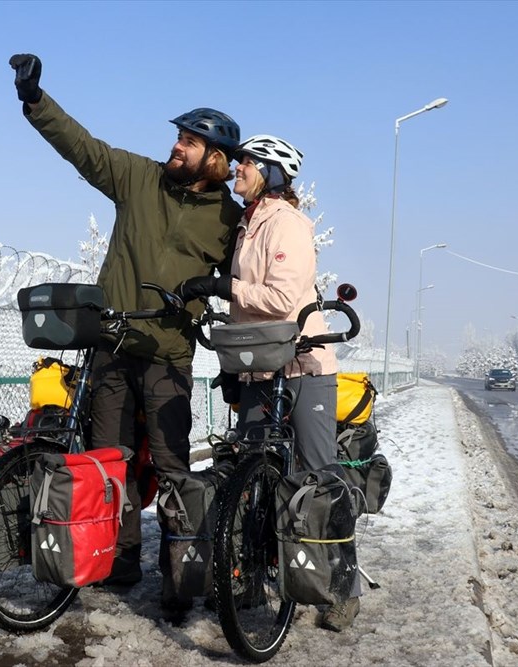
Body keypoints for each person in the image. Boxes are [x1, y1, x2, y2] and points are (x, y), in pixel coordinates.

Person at [7, 54, 243, 606]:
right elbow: (83, 148)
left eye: (189, 142)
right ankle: (120, 559)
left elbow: (245, 281)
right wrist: (35, 100)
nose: (176, 147)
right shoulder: (140, 178)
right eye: (178, 138)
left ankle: (179, 573)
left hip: (169, 355)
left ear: (215, 158)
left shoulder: (229, 220)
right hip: (112, 344)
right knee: (109, 461)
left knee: (171, 465)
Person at [177, 134, 362, 631]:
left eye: (247, 162)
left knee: (319, 478)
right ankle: (250, 578)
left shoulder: (288, 224)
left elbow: (281, 300)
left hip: (304, 364)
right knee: (251, 473)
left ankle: (342, 589)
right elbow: (246, 309)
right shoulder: (248, 224)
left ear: (273, 173)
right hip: (260, 364)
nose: (237, 167)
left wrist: (223, 285)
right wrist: (233, 368)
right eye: (238, 160)